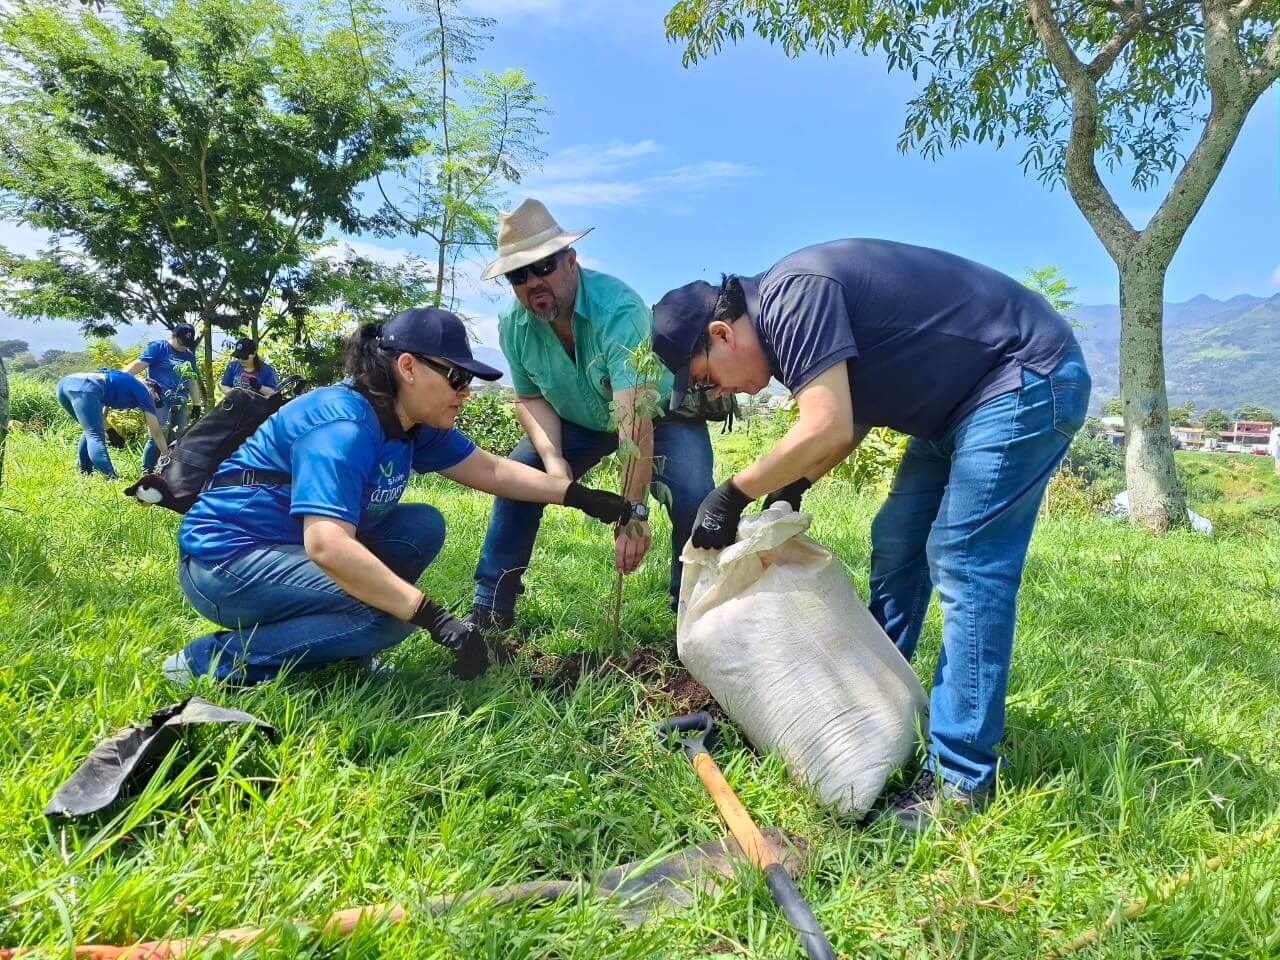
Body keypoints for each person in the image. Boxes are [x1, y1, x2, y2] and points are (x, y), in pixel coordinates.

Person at [652, 238, 1091, 832]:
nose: (720, 393)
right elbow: (853, 417)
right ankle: (877, 704)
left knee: (965, 558)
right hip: (951, 408)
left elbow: (826, 424)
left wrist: (732, 493)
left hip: (1021, 375)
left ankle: (961, 779)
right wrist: (791, 488)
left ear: (723, 333)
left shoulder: (793, 296)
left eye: (708, 380)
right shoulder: (785, 318)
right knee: (897, 544)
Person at [161, 306, 634, 686]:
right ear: (408, 367)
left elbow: (491, 470)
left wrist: (580, 496)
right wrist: (432, 617)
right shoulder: (343, 425)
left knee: (420, 525)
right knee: (393, 619)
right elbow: (326, 544)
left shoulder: (410, 423)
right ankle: (209, 659)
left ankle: (345, 647)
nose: (465, 392)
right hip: (226, 565)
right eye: (457, 378)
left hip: (287, 553)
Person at [466, 198, 715, 635]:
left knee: (694, 495)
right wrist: (554, 461)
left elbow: (634, 419)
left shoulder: (617, 308)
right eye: (518, 275)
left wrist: (633, 512)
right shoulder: (512, 324)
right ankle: (490, 610)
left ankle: (690, 615)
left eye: (542, 266)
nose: (532, 283)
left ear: (571, 260)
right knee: (519, 479)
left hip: (654, 416)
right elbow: (529, 398)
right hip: (575, 421)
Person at [55, 369, 169, 478]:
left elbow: (102, 413)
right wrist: (166, 455)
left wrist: (110, 430)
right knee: (94, 434)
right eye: (156, 400)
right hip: (86, 387)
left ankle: (85, 471)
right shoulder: (145, 392)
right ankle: (110, 477)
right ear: (153, 391)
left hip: (64, 384)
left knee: (89, 430)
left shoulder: (124, 381)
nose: (154, 404)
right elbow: (156, 433)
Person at [123, 323, 206, 471]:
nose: (183, 346)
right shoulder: (158, 348)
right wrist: (117, 379)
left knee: (177, 436)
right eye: (181, 342)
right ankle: (146, 472)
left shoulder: (189, 356)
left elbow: (192, 381)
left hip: (180, 402)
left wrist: (196, 404)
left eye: (187, 343)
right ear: (173, 336)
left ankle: (167, 471)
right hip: (158, 400)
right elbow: (137, 365)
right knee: (156, 435)